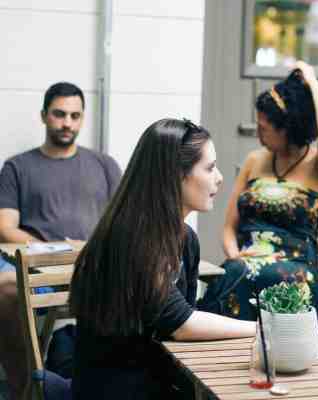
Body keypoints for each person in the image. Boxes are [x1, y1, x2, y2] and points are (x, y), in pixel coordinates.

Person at [69, 119, 256, 399]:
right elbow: (182, 325)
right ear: (175, 174)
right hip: (119, 389)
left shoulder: (185, 238)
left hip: (159, 380)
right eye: (209, 168)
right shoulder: (131, 236)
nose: (219, 178)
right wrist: (263, 329)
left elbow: (181, 325)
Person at [0, 82, 121, 400]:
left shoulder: (105, 166)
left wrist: (90, 249)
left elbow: (125, 222)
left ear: (82, 119)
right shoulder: (17, 167)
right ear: (44, 116)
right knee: (6, 286)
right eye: (59, 114)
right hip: (39, 269)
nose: (67, 122)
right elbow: (5, 227)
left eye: (74, 116)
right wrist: (51, 250)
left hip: (93, 267)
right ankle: (27, 390)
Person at [198, 61, 318, 325]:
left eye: (264, 128)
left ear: (288, 128)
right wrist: (236, 257)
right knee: (232, 273)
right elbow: (229, 228)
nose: (258, 134)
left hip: (294, 270)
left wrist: (311, 80)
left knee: (254, 276)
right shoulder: (254, 160)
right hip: (244, 266)